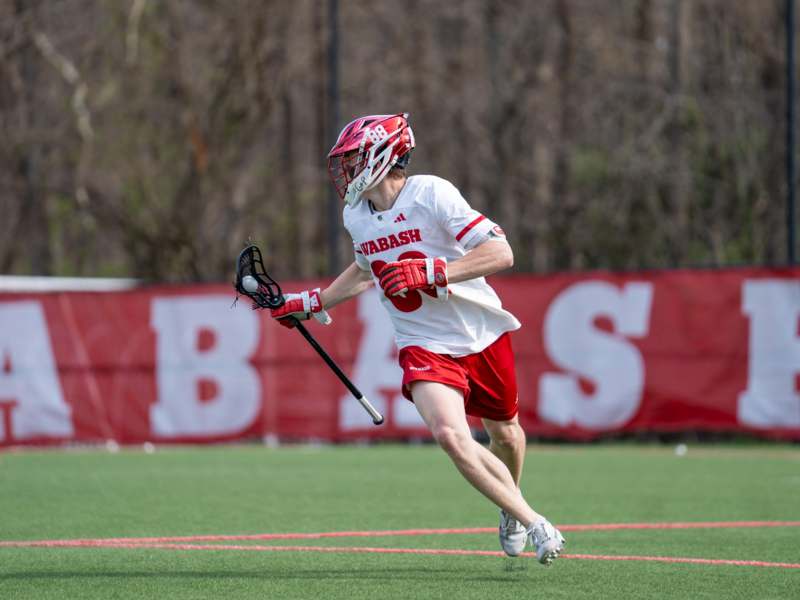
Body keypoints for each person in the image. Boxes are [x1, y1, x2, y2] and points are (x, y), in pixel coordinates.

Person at [269, 113, 565, 565]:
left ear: (383, 158)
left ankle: (510, 502)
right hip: (422, 341)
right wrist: (316, 301)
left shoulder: (432, 194)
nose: (345, 172)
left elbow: (501, 252)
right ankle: (531, 519)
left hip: (478, 332)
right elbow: (366, 269)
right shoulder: (357, 216)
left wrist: (432, 271)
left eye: (353, 160)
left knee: (505, 435)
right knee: (450, 434)